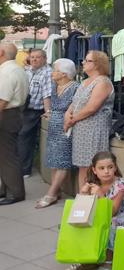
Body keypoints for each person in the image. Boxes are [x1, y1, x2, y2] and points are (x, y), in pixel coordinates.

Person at [65, 151, 124, 270]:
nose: (106, 171)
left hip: (121, 217)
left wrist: (101, 195)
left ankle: (108, 262)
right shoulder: (93, 182)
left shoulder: (120, 185)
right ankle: (87, 259)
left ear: (115, 167)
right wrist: (83, 193)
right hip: (101, 215)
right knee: (82, 221)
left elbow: (113, 211)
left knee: (110, 224)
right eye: (101, 168)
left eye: (110, 167)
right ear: (94, 170)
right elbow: (84, 206)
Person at [65, 50, 115, 187]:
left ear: (98, 64)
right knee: (82, 166)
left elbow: (92, 107)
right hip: (81, 130)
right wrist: (67, 115)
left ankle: (93, 200)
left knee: (93, 166)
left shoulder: (103, 82)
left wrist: (72, 119)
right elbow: (75, 102)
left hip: (94, 130)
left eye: (87, 60)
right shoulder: (85, 81)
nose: (83, 62)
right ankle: (83, 199)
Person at [36, 58, 79, 208]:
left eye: (55, 70)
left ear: (64, 73)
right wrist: (49, 112)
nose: (52, 73)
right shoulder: (55, 86)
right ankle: (56, 191)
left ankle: (51, 192)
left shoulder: (75, 87)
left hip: (66, 127)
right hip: (54, 125)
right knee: (54, 159)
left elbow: (76, 107)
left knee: (62, 160)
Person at [0, 43, 29, 205]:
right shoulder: (16, 69)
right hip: (14, 113)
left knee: (7, 156)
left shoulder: (6, 72)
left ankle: (15, 193)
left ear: (1, 52)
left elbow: (1, 100)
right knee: (5, 155)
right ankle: (6, 188)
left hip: (7, 115)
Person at [18, 48, 52, 177]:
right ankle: (22, 166)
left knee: (24, 138)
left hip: (36, 111)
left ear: (44, 59)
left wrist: (48, 111)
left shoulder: (47, 73)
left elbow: (47, 95)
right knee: (22, 138)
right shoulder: (28, 71)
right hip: (24, 109)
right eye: (32, 57)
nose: (34, 59)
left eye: (37, 57)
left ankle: (24, 170)